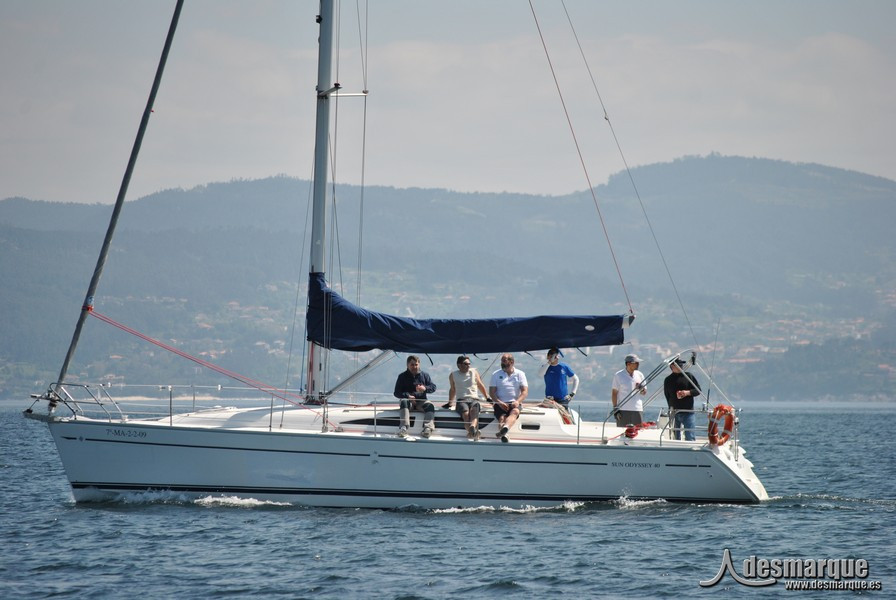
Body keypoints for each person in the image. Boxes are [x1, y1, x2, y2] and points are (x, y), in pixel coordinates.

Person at [446, 355, 490, 441]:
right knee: (466, 414)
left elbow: (480, 385)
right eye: (466, 364)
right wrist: (450, 402)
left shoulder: (474, 372)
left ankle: (472, 429)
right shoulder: (453, 375)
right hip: (461, 400)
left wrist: (487, 397)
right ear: (459, 365)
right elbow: (453, 389)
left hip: (474, 399)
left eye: (469, 364)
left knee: (474, 412)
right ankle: (473, 431)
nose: (468, 366)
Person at [393, 355, 436, 438]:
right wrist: (407, 396)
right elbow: (396, 393)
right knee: (404, 401)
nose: (414, 367)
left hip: (421, 401)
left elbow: (433, 387)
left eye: (416, 364)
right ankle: (403, 428)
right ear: (407, 365)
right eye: (412, 365)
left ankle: (428, 428)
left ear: (419, 364)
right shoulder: (402, 376)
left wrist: (425, 388)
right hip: (408, 401)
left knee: (430, 406)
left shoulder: (425, 375)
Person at [488, 353, 528, 442]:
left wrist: (517, 401)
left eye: (504, 361)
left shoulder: (520, 374)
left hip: (514, 402)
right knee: (502, 418)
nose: (502, 363)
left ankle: (505, 428)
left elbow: (524, 391)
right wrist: (499, 403)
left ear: (512, 362)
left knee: (515, 412)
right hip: (500, 402)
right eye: (501, 361)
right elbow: (491, 392)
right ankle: (504, 434)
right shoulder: (496, 374)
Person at [663, 358, 701, 441]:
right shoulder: (668, 380)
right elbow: (667, 395)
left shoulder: (689, 376)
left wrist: (687, 393)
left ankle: (690, 447)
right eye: (678, 365)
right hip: (674, 412)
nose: (681, 366)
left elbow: (698, 390)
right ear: (672, 366)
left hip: (688, 411)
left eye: (681, 364)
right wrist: (670, 408)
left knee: (690, 436)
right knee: (675, 437)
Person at [611, 353, 646, 426]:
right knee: (622, 430)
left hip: (637, 409)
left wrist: (641, 388)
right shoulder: (619, 375)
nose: (638, 364)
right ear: (628, 364)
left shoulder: (640, 375)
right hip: (623, 409)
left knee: (638, 430)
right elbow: (614, 393)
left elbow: (644, 393)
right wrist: (615, 408)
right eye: (636, 363)